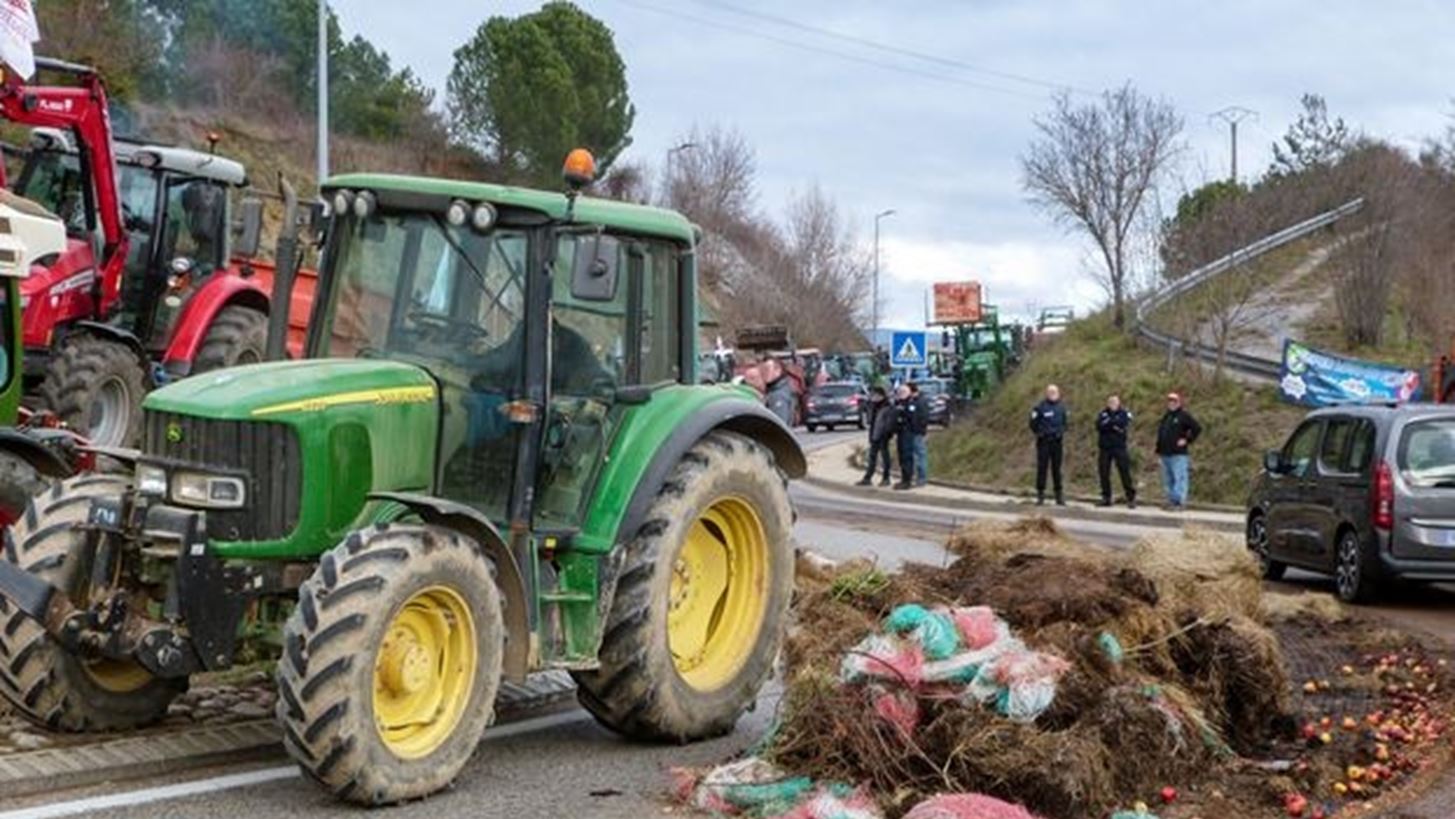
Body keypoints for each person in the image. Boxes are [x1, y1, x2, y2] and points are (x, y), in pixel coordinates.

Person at [1155, 392, 1202, 509]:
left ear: (1179, 403)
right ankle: (1171, 500)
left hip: (1178, 453)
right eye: (1169, 401)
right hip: (1165, 453)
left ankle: (1179, 501)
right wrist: (1158, 449)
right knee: (1168, 479)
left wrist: (1187, 440)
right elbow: (1161, 433)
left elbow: (1197, 428)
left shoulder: (1183, 416)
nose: (1171, 404)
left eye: (1174, 401)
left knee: (1179, 478)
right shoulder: (1166, 416)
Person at [1095, 394, 1137, 508]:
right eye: (1110, 402)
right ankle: (1106, 497)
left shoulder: (1124, 413)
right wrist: (1113, 425)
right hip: (1105, 448)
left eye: (1114, 402)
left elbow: (1123, 424)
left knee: (1124, 472)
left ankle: (1130, 497)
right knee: (1104, 472)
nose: (1112, 404)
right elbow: (1099, 426)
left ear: (1119, 403)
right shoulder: (1103, 413)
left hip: (1119, 447)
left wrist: (1111, 424)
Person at [1028, 384, 1067, 505]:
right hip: (1044, 441)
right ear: (1047, 394)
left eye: (1055, 392)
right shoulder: (1040, 407)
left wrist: (1061, 432)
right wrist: (1040, 433)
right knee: (1042, 468)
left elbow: (1065, 422)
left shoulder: (1061, 407)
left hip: (1057, 441)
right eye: (1051, 392)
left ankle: (1059, 495)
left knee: (1057, 469)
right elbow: (1033, 423)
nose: (1053, 394)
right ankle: (1040, 495)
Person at [857, 386, 896, 487]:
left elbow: (889, 423)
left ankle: (886, 478)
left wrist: (887, 434)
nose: (872, 397)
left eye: (874, 395)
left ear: (881, 396)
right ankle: (868, 477)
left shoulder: (888, 407)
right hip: (874, 434)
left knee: (884, 457)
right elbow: (871, 420)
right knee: (872, 457)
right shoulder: (873, 406)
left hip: (883, 435)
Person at [893, 384, 918, 490]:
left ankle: (907, 480)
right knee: (901, 456)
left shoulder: (911, 404)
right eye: (899, 393)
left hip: (908, 432)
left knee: (907, 456)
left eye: (903, 392)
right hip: (900, 432)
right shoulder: (899, 403)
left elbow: (912, 418)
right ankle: (904, 478)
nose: (900, 394)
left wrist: (902, 413)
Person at [907, 381, 930, 486]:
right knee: (915, 455)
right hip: (912, 432)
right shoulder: (913, 401)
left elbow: (924, 418)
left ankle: (922, 478)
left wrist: (921, 430)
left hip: (917, 432)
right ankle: (917, 477)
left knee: (920, 455)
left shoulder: (921, 401)